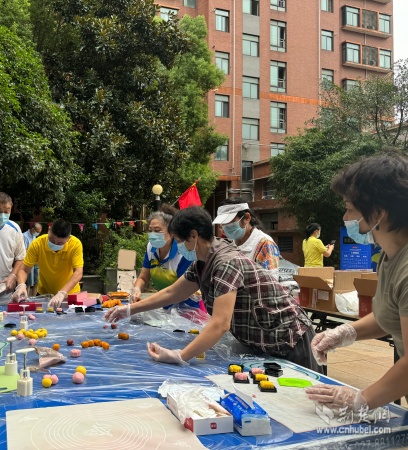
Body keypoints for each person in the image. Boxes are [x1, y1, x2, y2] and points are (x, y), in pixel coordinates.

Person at [105, 206, 320, 372]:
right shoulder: (202, 261)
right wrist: (129, 309)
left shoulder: (225, 263)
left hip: (291, 340)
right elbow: (172, 292)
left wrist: (180, 355)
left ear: (193, 236)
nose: (178, 246)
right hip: (265, 341)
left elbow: (220, 324)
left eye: (179, 240)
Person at [307, 152, 408, 413]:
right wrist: (345, 332)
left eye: (350, 208)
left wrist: (360, 399)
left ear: (379, 212)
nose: (345, 216)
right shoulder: (389, 255)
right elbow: (392, 315)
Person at [131, 205, 203, 311]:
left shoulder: (183, 253)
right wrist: (137, 288)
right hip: (164, 305)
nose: (153, 235)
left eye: (157, 230)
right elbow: (143, 277)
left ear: (171, 232)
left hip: (187, 309)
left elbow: (179, 290)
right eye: (150, 230)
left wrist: (141, 306)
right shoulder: (151, 248)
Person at [15, 219, 83, 309]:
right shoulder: (37, 244)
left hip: (69, 294)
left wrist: (62, 293)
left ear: (68, 238)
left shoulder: (75, 244)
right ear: (49, 230)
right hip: (44, 294)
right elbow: (24, 269)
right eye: (51, 240)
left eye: (60, 243)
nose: (55, 244)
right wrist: (21, 285)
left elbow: (78, 272)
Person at [213, 199, 280, 277]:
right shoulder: (230, 243)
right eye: (223, 224)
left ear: (247, 218)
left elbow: (270, 281)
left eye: (230, 222)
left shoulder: (265, 244)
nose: (226, 227)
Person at [23, 222, 42, 296]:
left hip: (36, 262)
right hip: (28, 262)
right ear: (33, 229)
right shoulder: (24, 236)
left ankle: (34, 299)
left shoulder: (34, 236)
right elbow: (24, 251)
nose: (38, 234)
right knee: (29, 284)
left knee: (36, 282)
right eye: (37, 232)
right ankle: (26, 299)